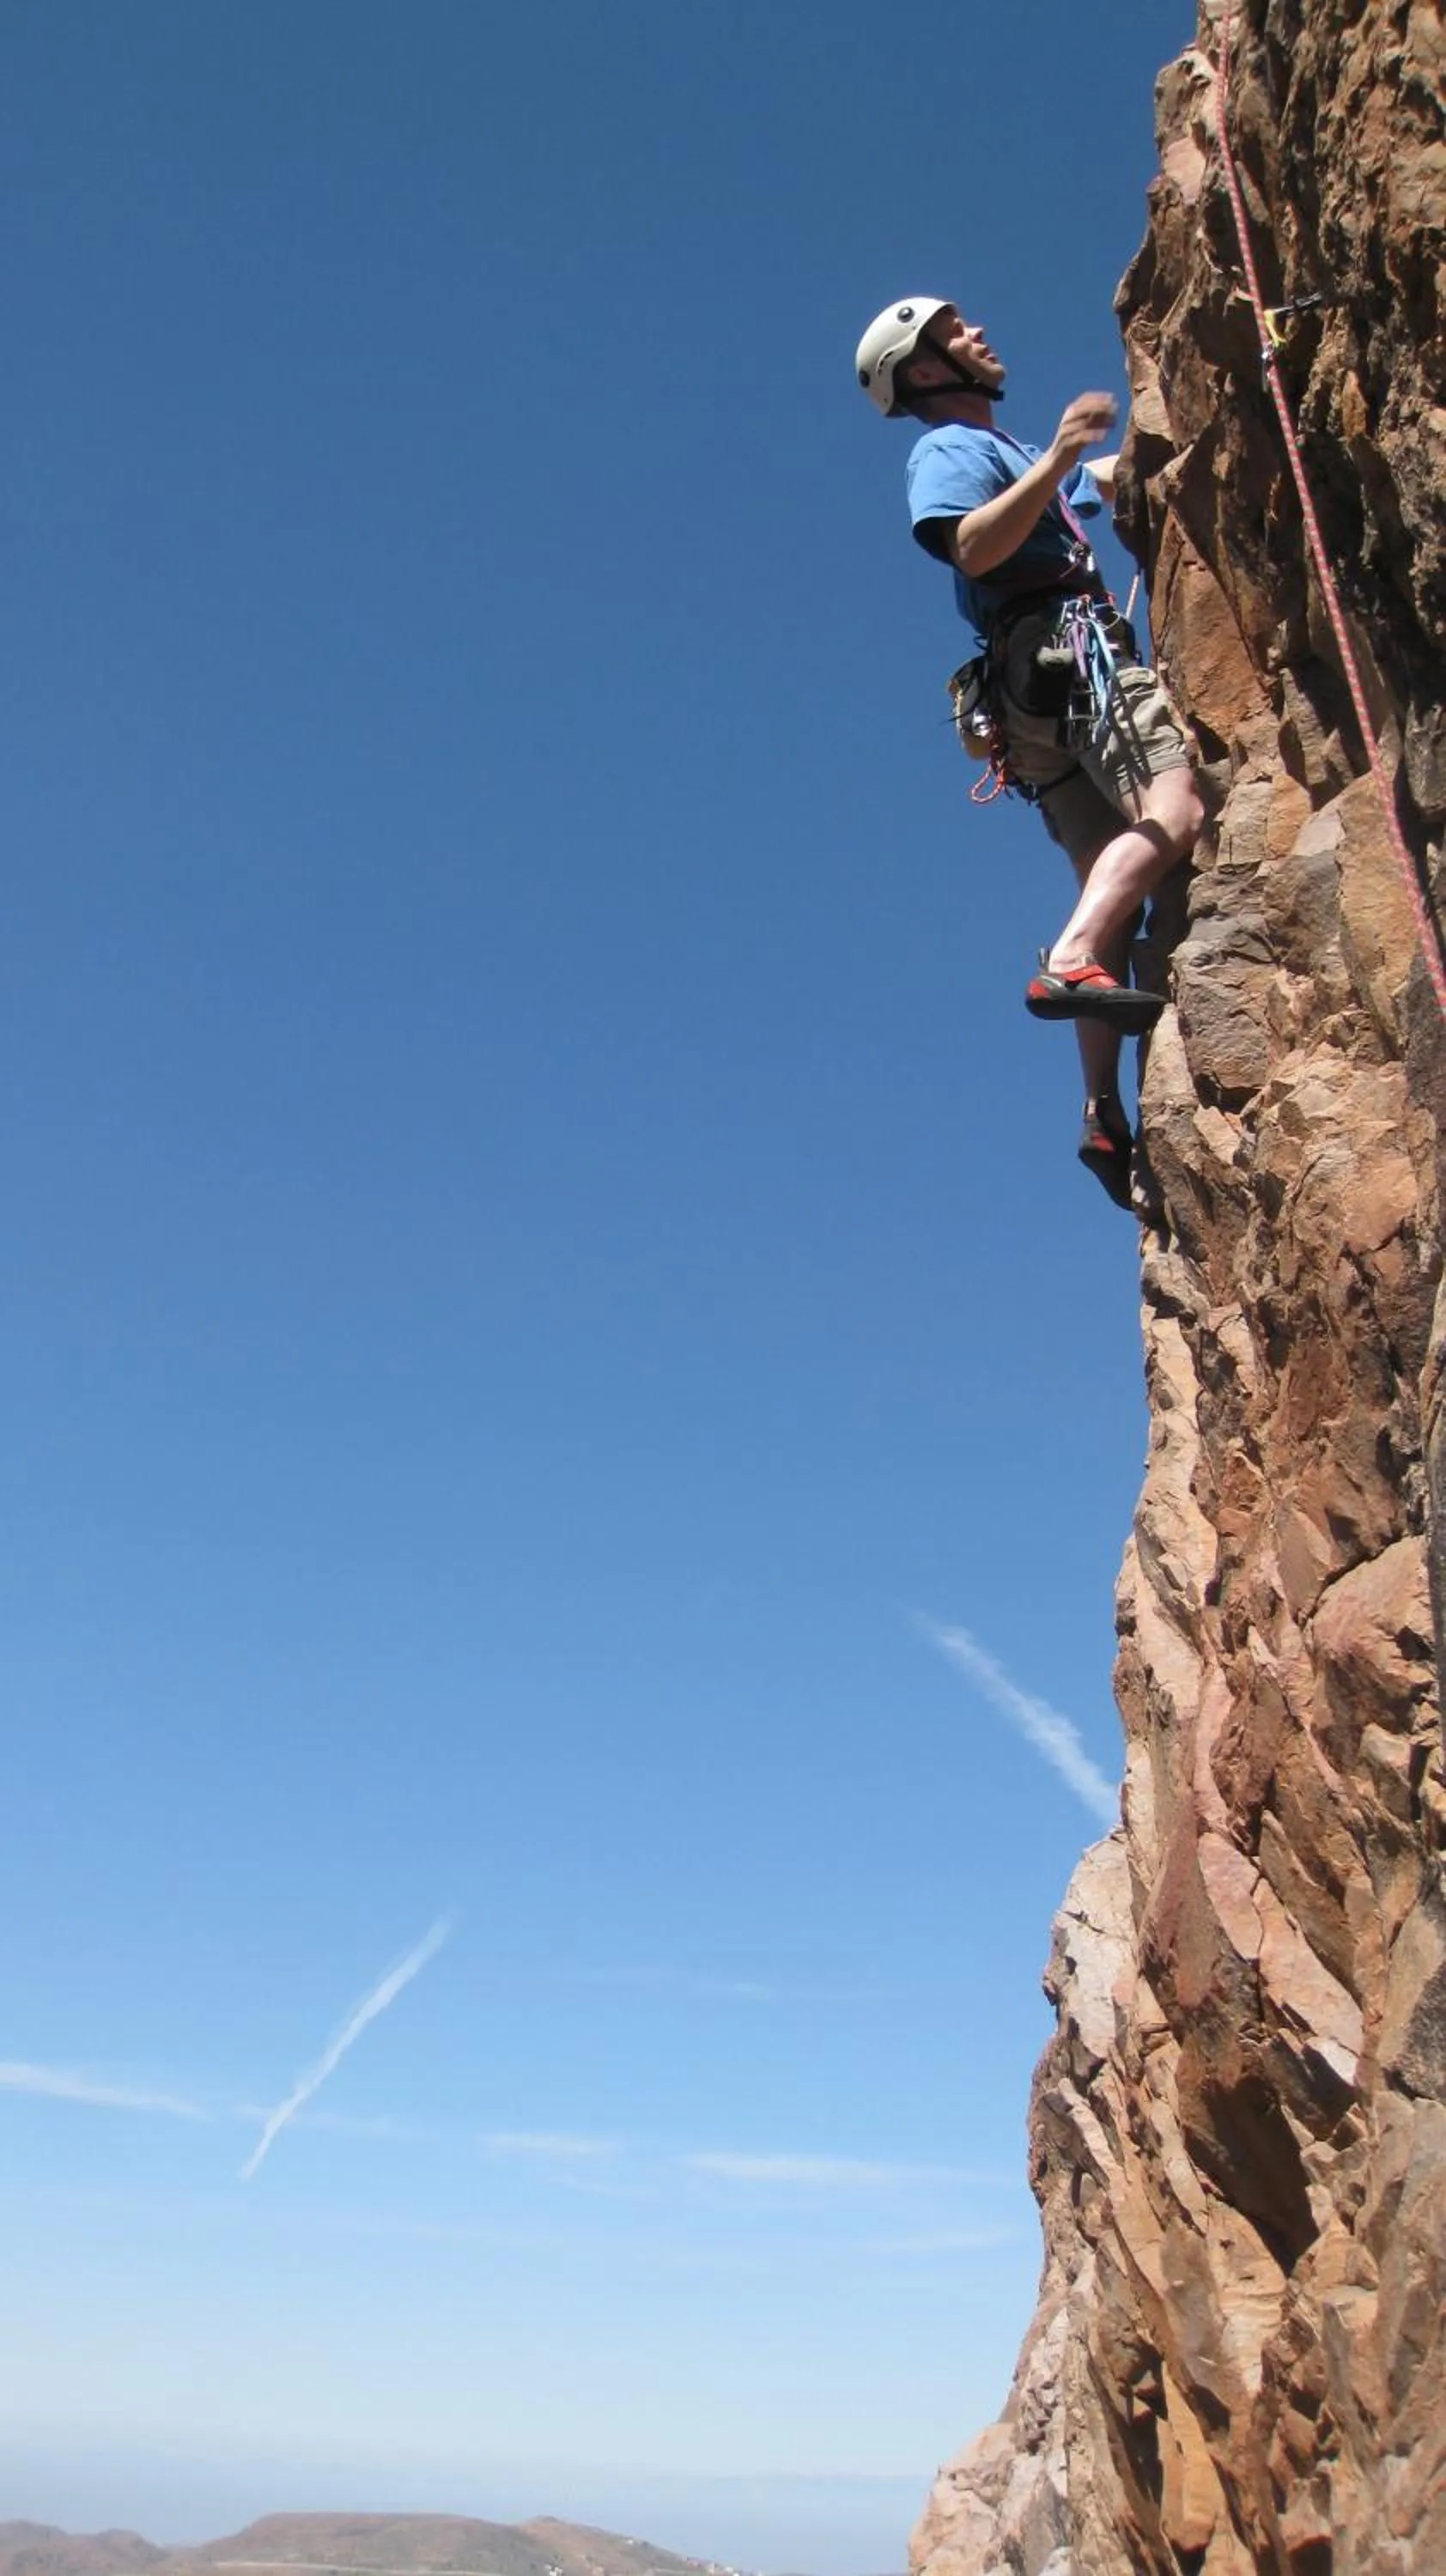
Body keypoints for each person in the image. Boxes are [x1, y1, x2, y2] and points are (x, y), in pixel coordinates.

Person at [854, 295, 1204, 1208]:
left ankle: (1100, 1110)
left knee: (1114, 887)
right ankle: (1068, 958)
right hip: (1064, 650)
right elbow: (970, 547)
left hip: (1030, 694)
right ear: (925, 371)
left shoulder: (1009, 459)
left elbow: (1112, 484)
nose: (979, 336)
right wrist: (1055, 456)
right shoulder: (950, 450)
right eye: (953, 335)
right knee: (1174, 812)